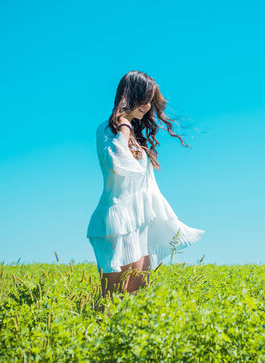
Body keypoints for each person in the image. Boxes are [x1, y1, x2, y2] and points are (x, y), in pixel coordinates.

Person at [86, 70, 205, 309]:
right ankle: (98, 341)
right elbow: (116, 164)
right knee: (112, 299)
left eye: (151, 100)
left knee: (138, 299)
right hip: (115, 223)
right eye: (145, 97)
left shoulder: (138, 139)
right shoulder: (107, 132)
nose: (148, 105)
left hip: (140, 223)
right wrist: (124, 125)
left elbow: (148, 189)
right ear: (130, 95)